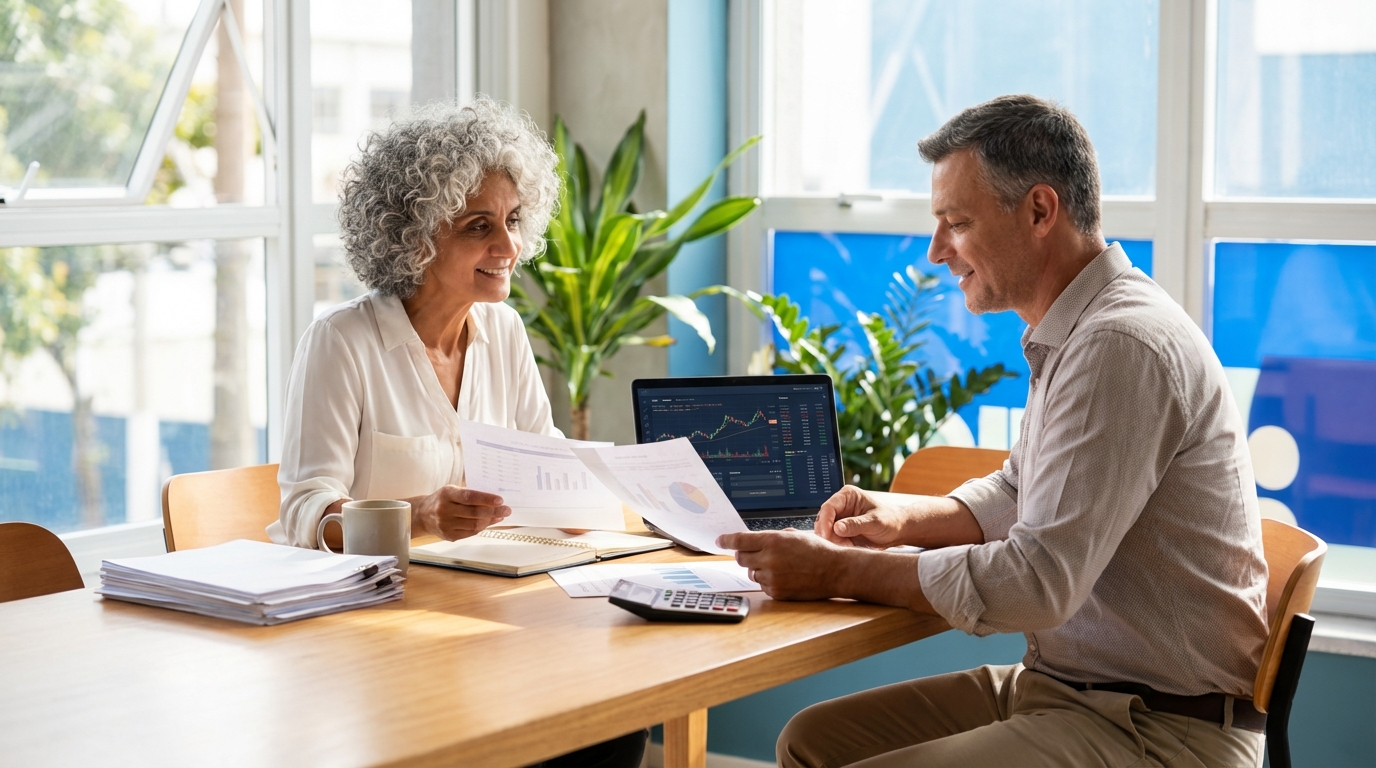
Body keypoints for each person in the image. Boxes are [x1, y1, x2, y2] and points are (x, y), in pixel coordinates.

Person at [719, 95, 1270, 767]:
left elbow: (1039, 580)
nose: (934, 252)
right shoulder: (1077, 330)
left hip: (1158, 730)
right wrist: (898, 515)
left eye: (956, 223)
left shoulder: (1120, 345)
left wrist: (842, 569)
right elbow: (1020, 493)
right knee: (811, 742)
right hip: (1068, 691)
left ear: (1040, 210)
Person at [271, 98, 646, 768]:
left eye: (512, 221)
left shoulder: (502, 331)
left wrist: (597, 493)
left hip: (487, 616)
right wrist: (416, 514)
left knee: (615, 721)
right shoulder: (343, 342)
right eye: (479, 226)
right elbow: (303, 514)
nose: (509, 248)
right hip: (372, 639)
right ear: (412, 237)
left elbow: (546, 457)